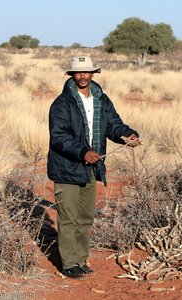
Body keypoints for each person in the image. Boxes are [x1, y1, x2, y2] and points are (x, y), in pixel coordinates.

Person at [47, 56, 140, 278]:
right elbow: (58, 137)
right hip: (67, 168)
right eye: (78, 72)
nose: (82, 76)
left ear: (92, 74)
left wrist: (127, 134)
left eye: (86, 72)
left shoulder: (102, 99)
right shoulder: (61, 103)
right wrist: (82, 152)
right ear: (72, 75)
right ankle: (69, 264)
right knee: (69, 218)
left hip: (91, 168)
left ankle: (80, 259)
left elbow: (113, 125)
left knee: (86, 217)